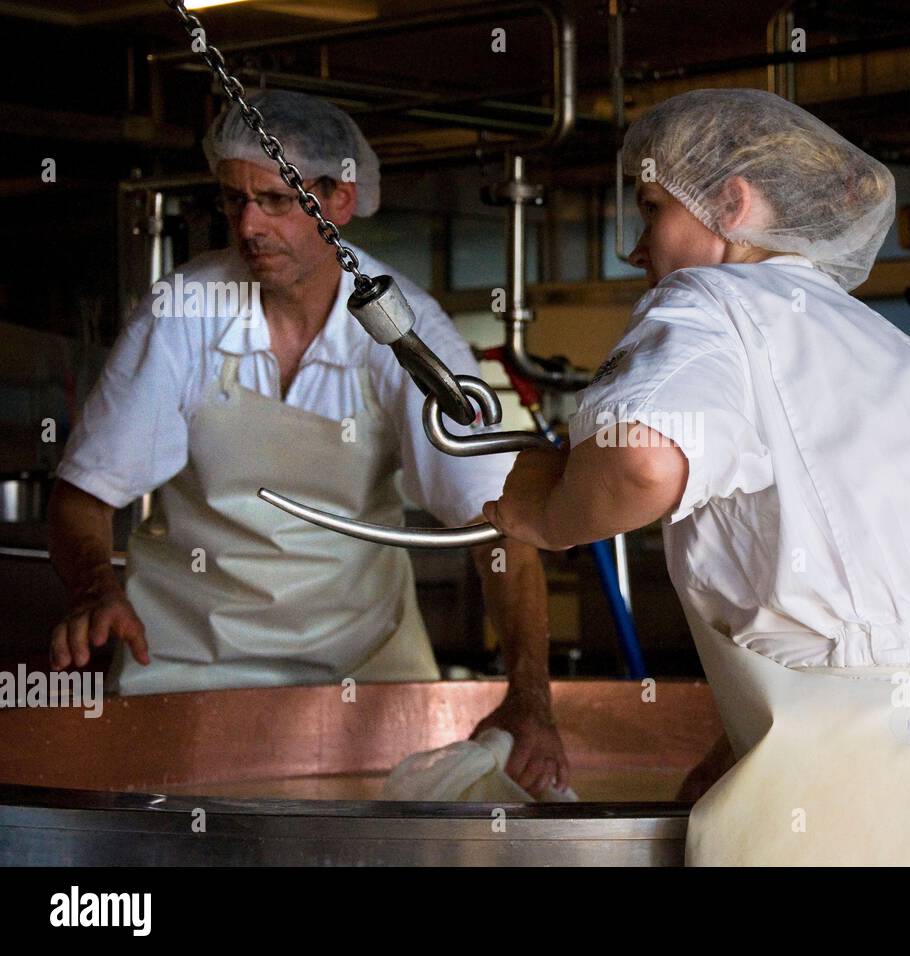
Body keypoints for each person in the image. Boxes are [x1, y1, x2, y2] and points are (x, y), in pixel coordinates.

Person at [482, 88, 910, 863]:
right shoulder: (895, 357)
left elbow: (644, 459)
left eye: (651, 210)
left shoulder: (716, 300)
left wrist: (544, 516)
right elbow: (873, 624)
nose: (636, 249)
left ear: (730, 201)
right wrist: (739, 754)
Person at [48, 90, 567, 796]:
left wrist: (529, 699)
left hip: (364, 677)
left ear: (341, 199)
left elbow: (500, 526)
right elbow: (82, 496)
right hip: (183, 662)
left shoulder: (406, 331)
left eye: (275, 200)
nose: (249, 225)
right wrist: (93, 590)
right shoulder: (182, 314)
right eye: (233, 201)